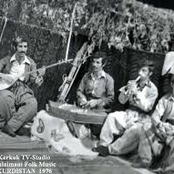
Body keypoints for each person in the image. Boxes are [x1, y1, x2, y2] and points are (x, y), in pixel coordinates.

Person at [92, 60, 158, 156]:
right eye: (140, 69)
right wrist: (127, 89)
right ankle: (103, 144)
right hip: (129, 113)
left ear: (150, 74)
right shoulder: (133, 83)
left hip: (141, 119)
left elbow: (147, 107)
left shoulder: (153, 89)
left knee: (134, 130)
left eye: (144, 71)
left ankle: (110, 150)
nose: (140, 73)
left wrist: (137, 93)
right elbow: (122, 101)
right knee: (111, 117)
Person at [0, 36, 45, 137]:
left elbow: (34, 82)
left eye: (25, 47)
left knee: (32, 103)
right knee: (3, 98)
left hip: (22, 89)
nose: (23, 49)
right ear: (15, 47)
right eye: (20, 46)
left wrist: (39, 78)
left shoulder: (31, 63)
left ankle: (10, 127)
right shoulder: (7, 60)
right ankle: (16, 126)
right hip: (7, 87)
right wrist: (4, 76)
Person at [133, 74, 174, 170]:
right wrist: (160, 124)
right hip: (165, 128)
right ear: (172, 84)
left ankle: (168, 168)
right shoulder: (165, 99)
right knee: (146, 126)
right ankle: (145, 160)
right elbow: (155, 115)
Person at [75, 52, 114, 137]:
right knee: (75, 127)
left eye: (98, 62)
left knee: (95, 132)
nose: (94, 65)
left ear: (103, 64)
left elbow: (110, 99)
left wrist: (96, 102)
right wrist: (82, 99)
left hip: (100, 110)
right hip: (85, 107)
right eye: (93, 62)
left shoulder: (109, 79)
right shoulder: (86, 76)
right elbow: (79, 91)